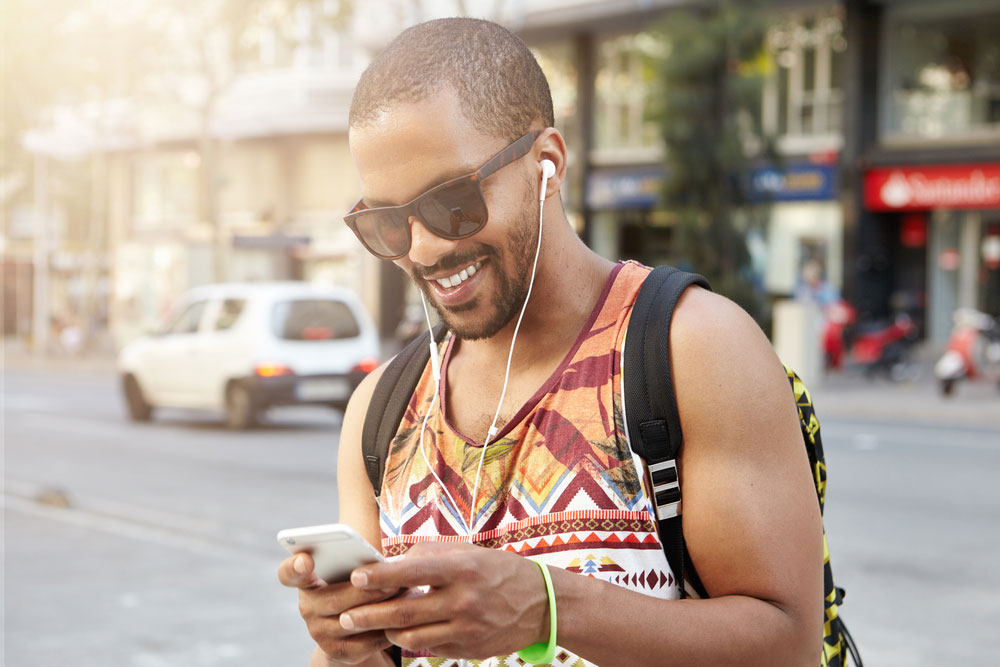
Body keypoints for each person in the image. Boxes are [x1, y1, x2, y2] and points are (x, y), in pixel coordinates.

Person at [278, 17, 823, 667]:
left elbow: (788, 644)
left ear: (547, 164)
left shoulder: (693, 348)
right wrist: (345, 642)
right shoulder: (381, 408)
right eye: (387, 223)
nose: (423, 247)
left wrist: (547, 607)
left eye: (453, 203)